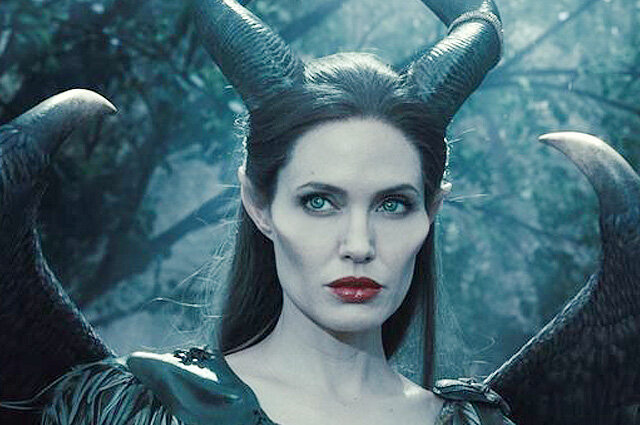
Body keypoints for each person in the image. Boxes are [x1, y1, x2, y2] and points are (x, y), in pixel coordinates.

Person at [3, 0, 639, 424]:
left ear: (432, 211)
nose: (358, 243)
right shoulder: (145, 410)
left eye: (393, 204)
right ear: (259, 204)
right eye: (319, 201)